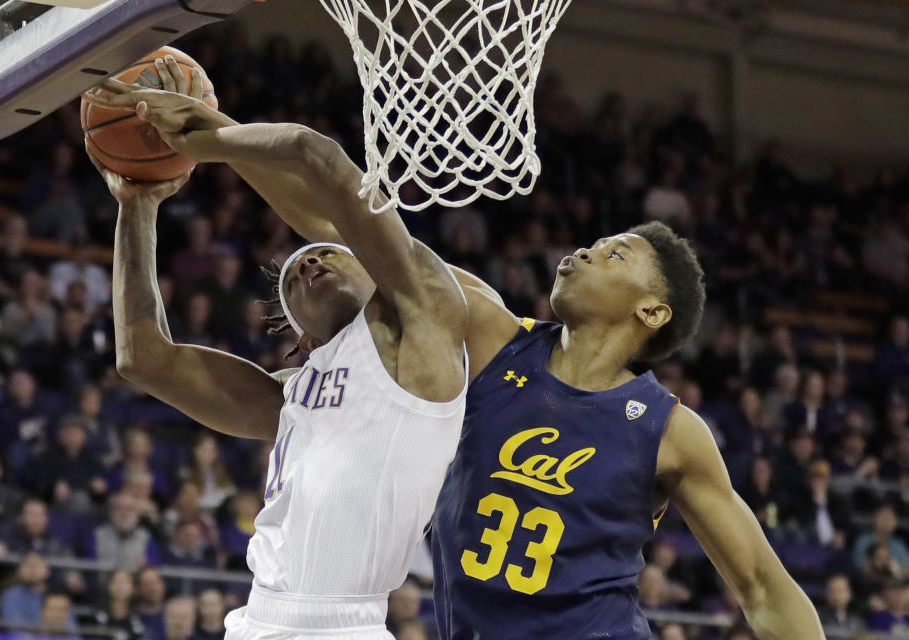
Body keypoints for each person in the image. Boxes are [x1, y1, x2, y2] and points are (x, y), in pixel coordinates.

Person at [99, 62, 821, 640]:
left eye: (613, 254)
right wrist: (207, 138)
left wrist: (213, 135)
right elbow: (340, 219)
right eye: (592, 243)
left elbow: (761, 586)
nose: (582, 251)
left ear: (652, 310)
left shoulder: (668, 429)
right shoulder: (488, 336)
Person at [89, 55, 468, 640]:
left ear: (375, 276)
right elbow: (143, 359)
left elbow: (314, 154)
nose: (310, 260)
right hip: (257, 619)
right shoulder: (294, 398)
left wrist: (205, 132)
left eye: (326, 254)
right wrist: (136, 207)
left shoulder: (427, 325)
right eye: (294, 276)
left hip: (347, 626)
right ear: (304, 342)